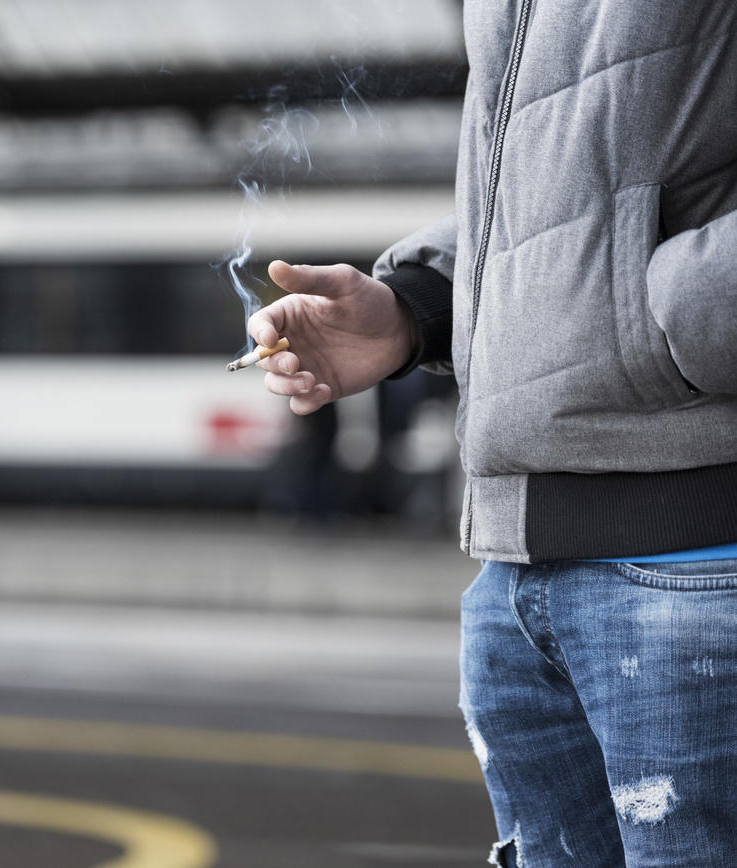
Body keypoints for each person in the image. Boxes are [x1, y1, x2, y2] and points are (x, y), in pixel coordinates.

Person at [247, 5, 737, 866]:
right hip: (514, 571)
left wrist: (656, 322)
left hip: (698, 550)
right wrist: (414, 309)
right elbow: (555, 188)